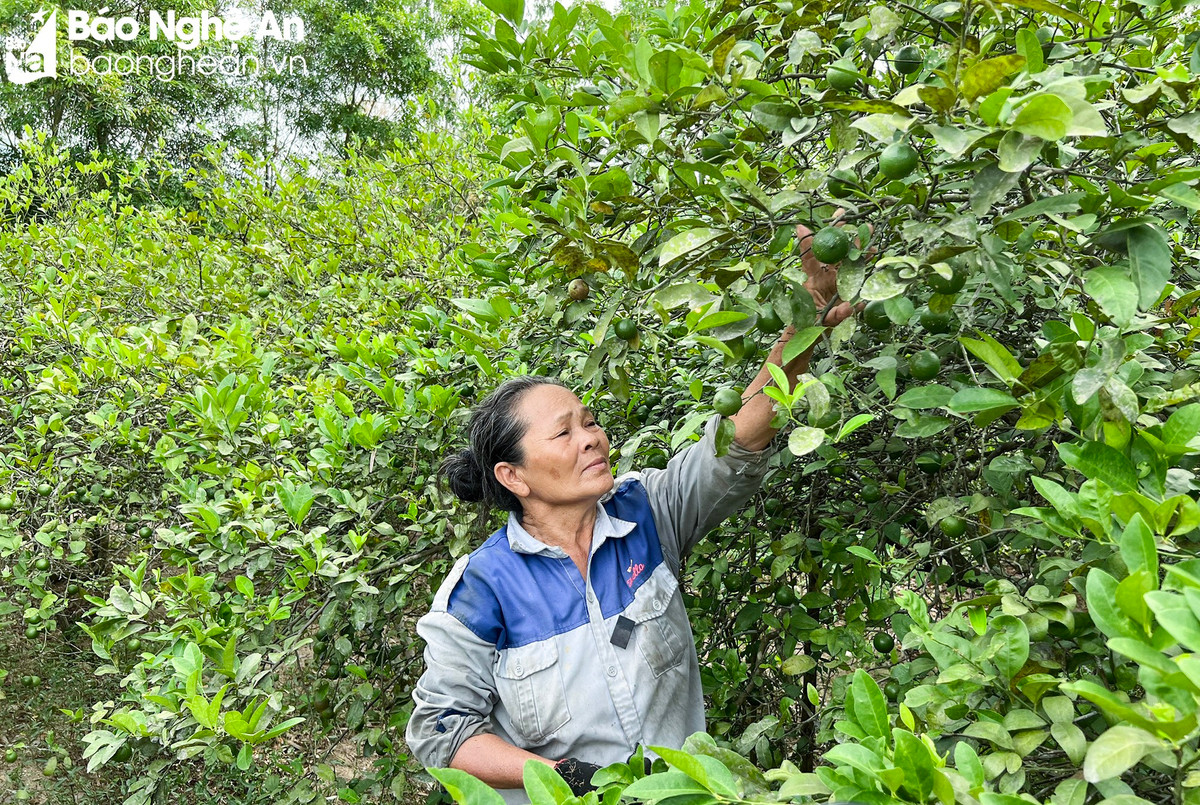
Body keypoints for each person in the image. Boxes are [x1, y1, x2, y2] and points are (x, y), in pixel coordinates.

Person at [405, 225, 857, 803]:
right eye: (564, 432)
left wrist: (806, 320)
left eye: (590, 421)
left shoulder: (647, 513)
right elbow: (443, 733)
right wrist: (561, 776)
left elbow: (736, 440)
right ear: (512, 477)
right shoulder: (482, 589)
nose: (591, 439)